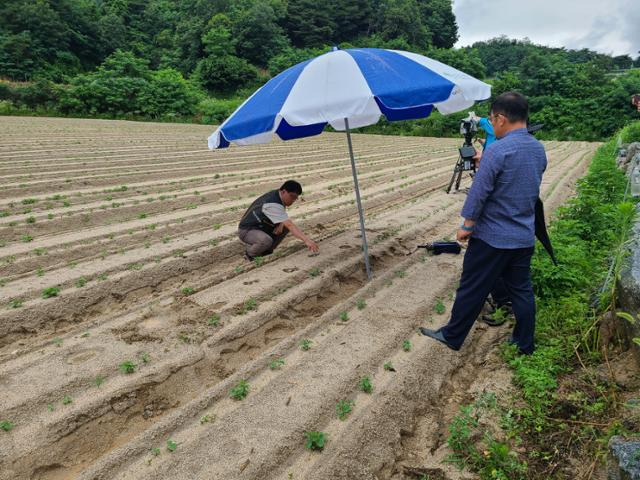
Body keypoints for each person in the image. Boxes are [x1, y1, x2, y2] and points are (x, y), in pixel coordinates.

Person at [420, 92, 547, 355]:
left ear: (501, 118)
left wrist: (467, 225)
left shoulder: (498, 149)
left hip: (492, 237)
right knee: (522, 290)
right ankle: (524, 343)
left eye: (491, 119)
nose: (492, 123)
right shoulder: (537, 148)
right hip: (523, 235)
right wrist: (484, 163)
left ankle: (452, 335)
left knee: (472, 286)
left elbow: (480, 191)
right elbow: (515, 181)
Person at [238, 180, 319, 260]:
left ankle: (266, 251)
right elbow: (289, 224)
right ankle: (250, 255)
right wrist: (307, 240)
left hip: (262, 226)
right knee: (266, 240)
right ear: (284, 191)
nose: (293, 200)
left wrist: (281, 224)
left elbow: (281, 214)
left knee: (284, 227)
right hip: (247, 230)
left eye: (295, 198)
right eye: (292, 196)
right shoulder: (272, 204)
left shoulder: (278, 194)